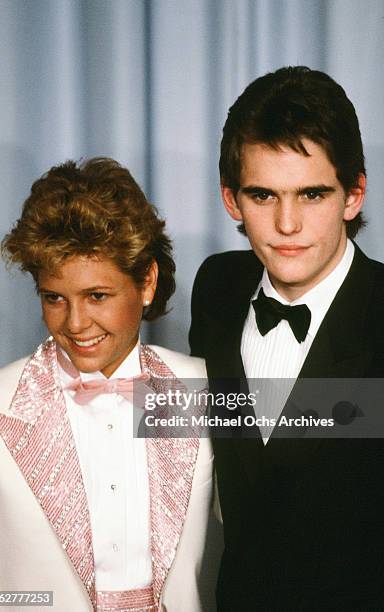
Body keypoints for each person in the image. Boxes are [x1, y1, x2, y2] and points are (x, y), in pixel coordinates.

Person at [190, 66, 384, 610]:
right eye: (263, 195)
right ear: (231, 199)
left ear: (353, 195)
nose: (288, 224)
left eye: (313, 194)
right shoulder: (217, 288)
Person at [0, 158, 213, 612]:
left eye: (97, 296)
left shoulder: (202, 388)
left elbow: (349, 416)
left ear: (146, 282)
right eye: (54, 298)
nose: (74, 323)